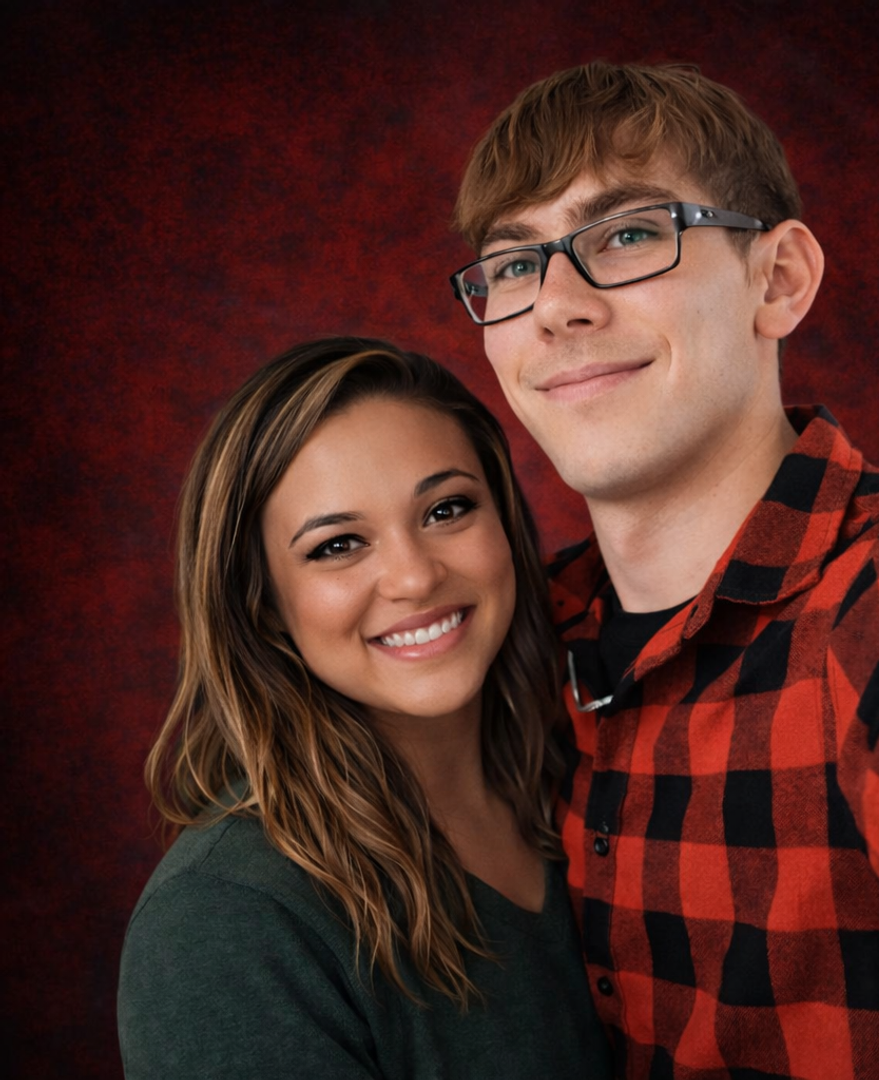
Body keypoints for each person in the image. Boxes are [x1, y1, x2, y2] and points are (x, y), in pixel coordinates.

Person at [448, 61, 879, 1079]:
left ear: (778, 278)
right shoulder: (511, 642)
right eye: (515, 264)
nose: (556, 307)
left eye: (629, 234)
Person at [117, 337, 613, 1079]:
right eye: (337, 545)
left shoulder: (591, 774)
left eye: (446, 509)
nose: (414, 577)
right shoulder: (227, 920)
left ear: (506, 523)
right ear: (262, 602)